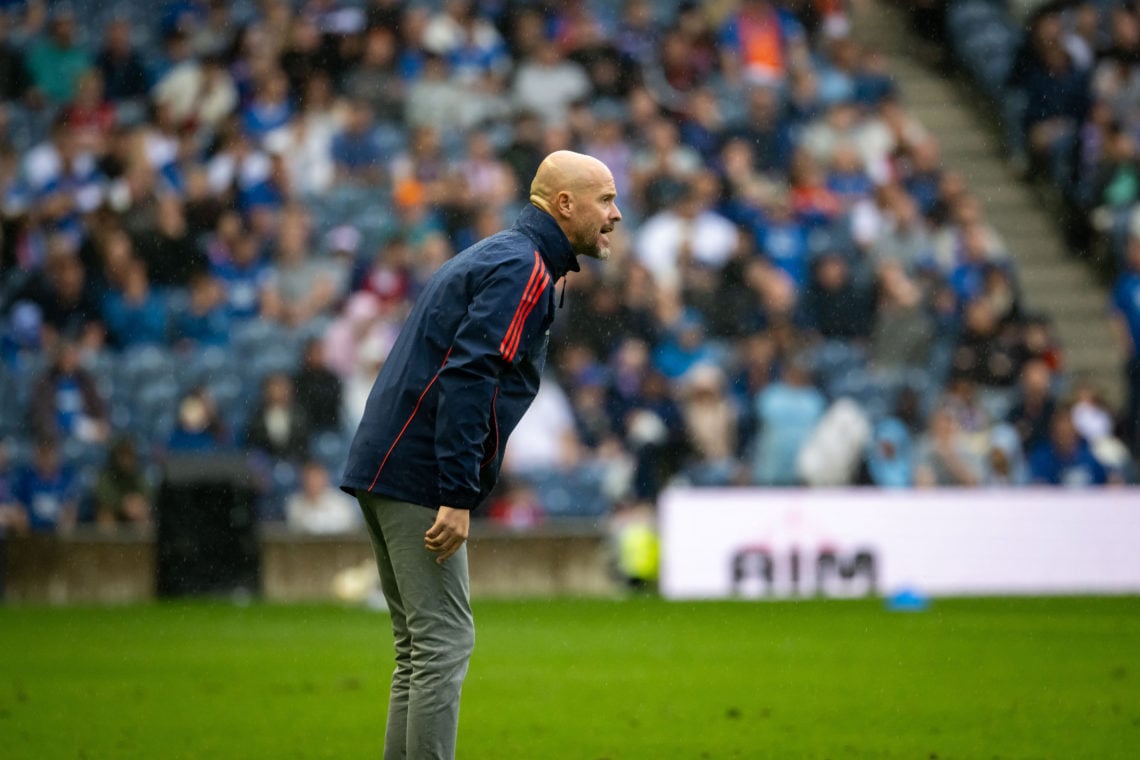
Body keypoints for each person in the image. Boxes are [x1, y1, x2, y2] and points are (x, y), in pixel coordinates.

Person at [340, 150, 621, 759]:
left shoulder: (506, 254)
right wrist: (457, 491)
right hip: (418, 471)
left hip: (386, 460)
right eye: (605, 199)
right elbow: (472, 376)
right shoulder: (524, 266)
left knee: (418, 649)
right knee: (442, 643)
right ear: (563, 204)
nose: (616, 214)